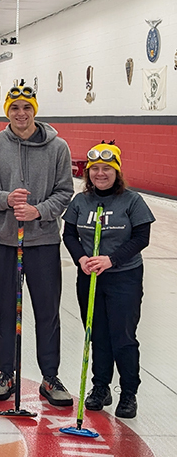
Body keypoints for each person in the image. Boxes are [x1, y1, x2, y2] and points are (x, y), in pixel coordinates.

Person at [0, 84, 75, 406]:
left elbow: (64, 192)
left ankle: (50, 377)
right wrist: (5, 199)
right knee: (3, 309)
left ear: (35, 110)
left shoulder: (58, 147)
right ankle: (6, 373)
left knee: (47, 311)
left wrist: (38, 211)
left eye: (27, 108)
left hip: (43, 241)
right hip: (3, 240)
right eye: (15, 108)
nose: (21, 114)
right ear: (7, 111)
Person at [62, 142, 154, 419]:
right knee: (96, 333)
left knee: (122, 337)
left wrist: (111, 260)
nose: (100, 174)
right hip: (89, 277)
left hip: (123, 277)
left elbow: (141, 237)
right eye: (95, 169)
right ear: (88, 173)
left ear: (117, 172)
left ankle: (128, 393)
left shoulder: (132, 201)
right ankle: (100, 387)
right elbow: (69, 235)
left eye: (107, 169)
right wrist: (81, 259)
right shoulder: (80, 201)